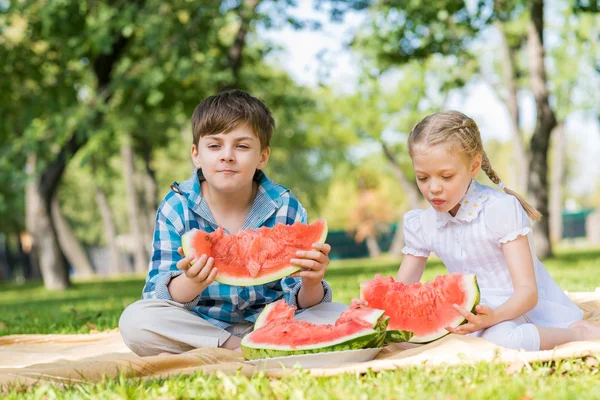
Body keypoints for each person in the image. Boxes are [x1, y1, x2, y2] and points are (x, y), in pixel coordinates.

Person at [119, 90, 333, 356]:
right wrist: (191, 282)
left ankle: (261, 342)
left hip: (274, 322)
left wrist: (312, 282)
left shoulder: (286, 207)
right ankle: (240, 349)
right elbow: (157, 295)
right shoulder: (177, 207)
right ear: (196, 154)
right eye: (214, 145)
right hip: (203, 326)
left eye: (242, 146)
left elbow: (301, 301)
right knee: (135, 321)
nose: (227, 156)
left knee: (336, 312)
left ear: (263, 156)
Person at [392, 110, 600, 351]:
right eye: (423, 178)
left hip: (519, 307)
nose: (434, 188)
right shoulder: (422, 223)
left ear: (474, 166)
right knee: (406, 340)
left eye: (446, 176)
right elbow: (400, 293)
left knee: (501, 342)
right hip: (471, 314)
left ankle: (574, 333)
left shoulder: (499, 209)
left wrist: (492, 317)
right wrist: (372, 313)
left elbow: (527, 292)